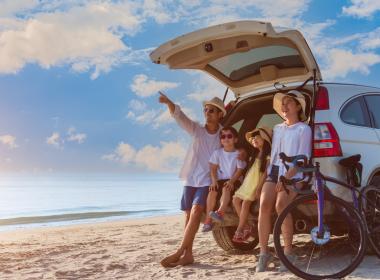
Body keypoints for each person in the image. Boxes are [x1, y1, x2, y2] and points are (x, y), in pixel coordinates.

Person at [158, 91, 225, 267]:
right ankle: (188, 254)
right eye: (206, 110)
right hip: (190, 178)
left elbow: (232, 152)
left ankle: (180, 250)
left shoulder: (223, 136)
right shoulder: (197, 130)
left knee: (196, 211)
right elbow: (180, 117)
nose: (207, 113)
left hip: (207, 181)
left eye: (211, 110)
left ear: (219, 114)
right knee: (188, 214)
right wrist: (168, 102)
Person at [256, 90, 311, 272]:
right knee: (264, 205)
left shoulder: (304, 129)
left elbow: (303, 158)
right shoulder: (278, 129)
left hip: (294, 172)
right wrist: (263, 180)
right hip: (275, 171)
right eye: (283, 103)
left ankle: (288, 253)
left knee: (281, 205)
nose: (284, 106)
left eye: (289, 103)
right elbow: (272, 157)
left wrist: (286, 178)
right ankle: (264, 253)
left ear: (297, 107)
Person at [231, 127, 272, 242]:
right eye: (252, 138)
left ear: (265, 139)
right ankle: (247, 225)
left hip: (256, 183)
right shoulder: (254, 154)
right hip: (248, 183)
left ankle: (240, 229)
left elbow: (265, 174)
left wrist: (259, 188)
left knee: (245, 203)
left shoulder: (268, 155)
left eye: (257, 137)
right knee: (235, 200)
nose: (254, 139)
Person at [202, 127, 246, 232]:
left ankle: (220, 212)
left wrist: (231, 181)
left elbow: (239, 170)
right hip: (221, 180)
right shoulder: (217, 153)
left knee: (226, 188)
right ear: (220, 140)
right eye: (223, 136)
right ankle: (208, 221)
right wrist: (214, 181)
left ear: (235, 139)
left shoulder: (238, 154)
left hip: (234, 180)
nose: (226, 138)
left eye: (229, 136)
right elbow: (213, 168)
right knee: (212, 191)